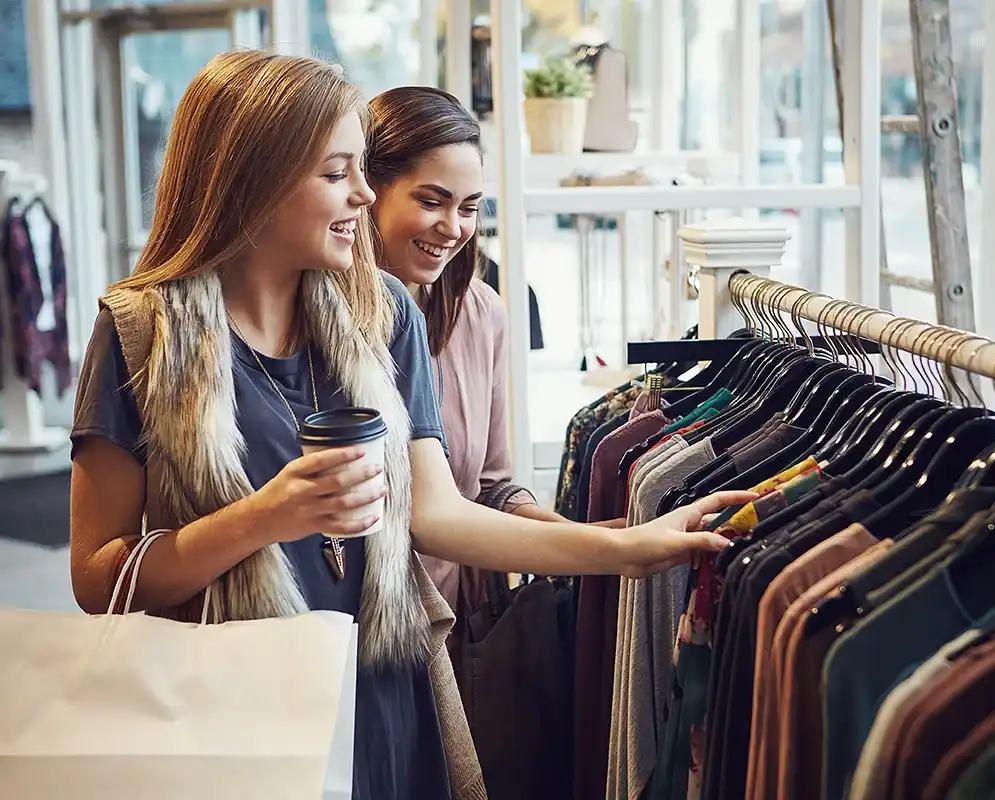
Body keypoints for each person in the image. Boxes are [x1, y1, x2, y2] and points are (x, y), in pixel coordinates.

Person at [68, 50, 747, 800]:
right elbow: (99, 578)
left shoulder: (383, 316)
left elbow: (440, 514)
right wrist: (266, 516)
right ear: (250, 178)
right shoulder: (141, 334)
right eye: (336, 173)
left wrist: (629, 548)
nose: (363, 195)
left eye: (362, 168)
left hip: (386, 695)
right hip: (235, 710)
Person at [364, 85, 599, 613]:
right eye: (431, 201)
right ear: (368, 189)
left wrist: (588, 535)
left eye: (469, 208)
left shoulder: (480, 313)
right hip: (344, 625)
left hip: (449, 622)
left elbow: (492, 486)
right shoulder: (317, 318)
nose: (453, 229)